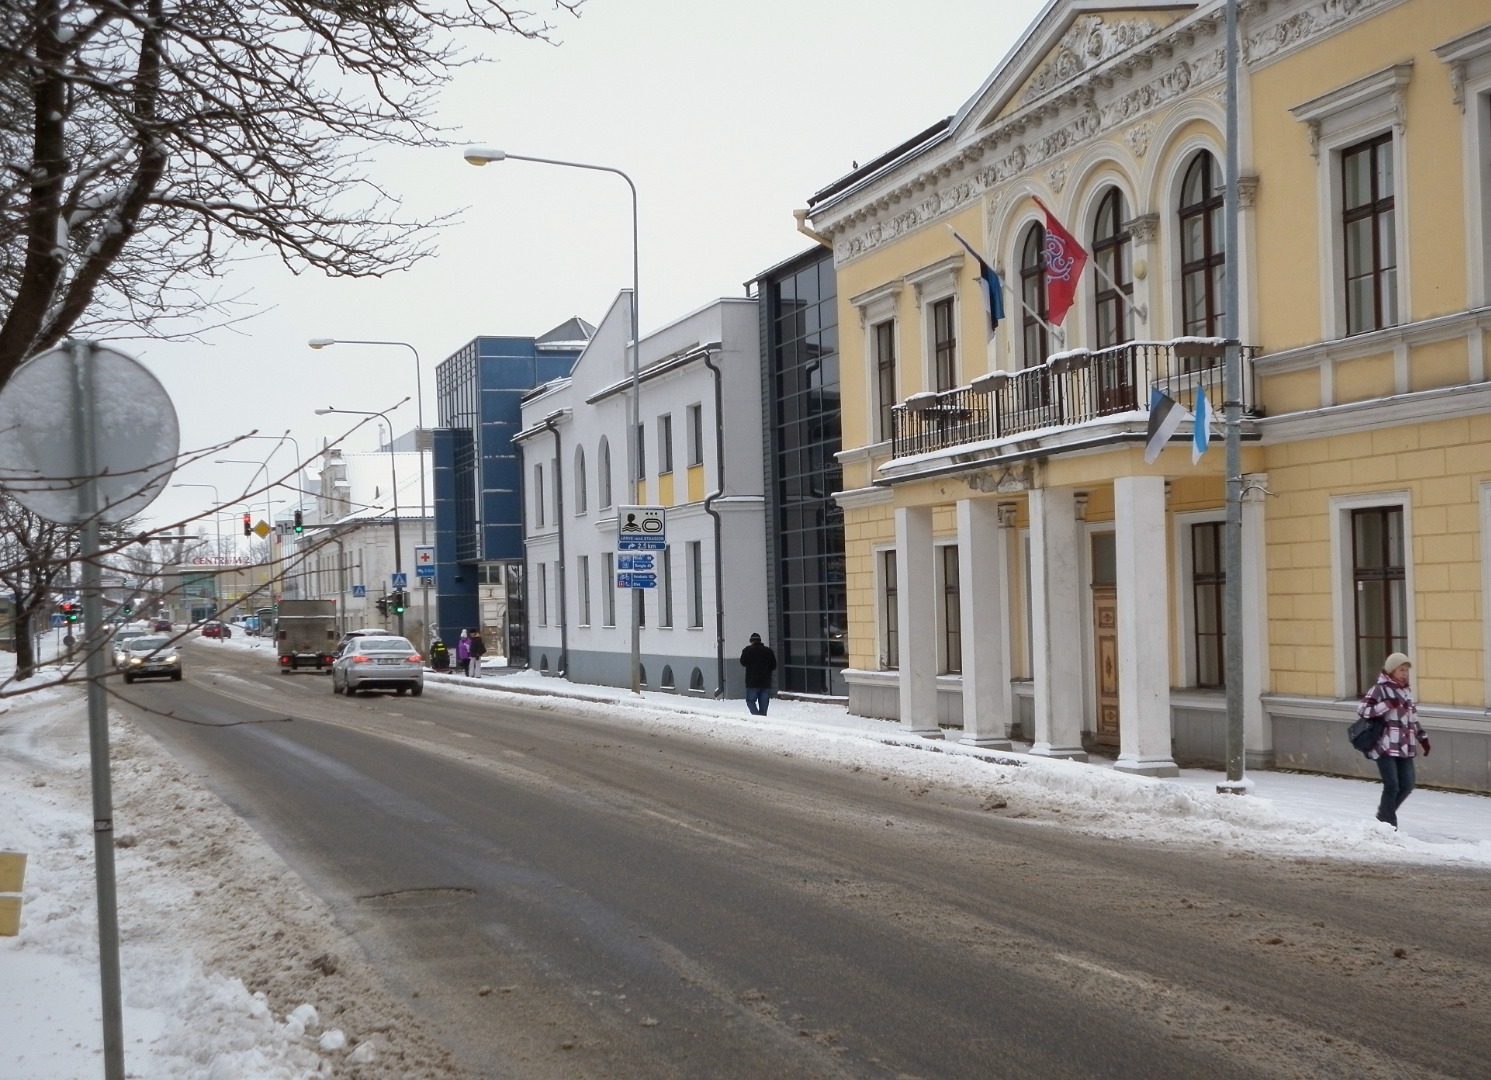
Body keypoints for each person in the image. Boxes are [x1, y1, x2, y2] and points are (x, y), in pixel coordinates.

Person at [1358, 652, 1430, 829]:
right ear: (1392, 670)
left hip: (1405, 745)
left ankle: (1383, 816)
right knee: (1392, 785)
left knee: (1407, 785)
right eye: (1401, 670)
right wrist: (1386, 705)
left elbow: (1412, 716)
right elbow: (1363, 710)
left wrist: (1422, 737)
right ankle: (1389, 825)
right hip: (1385, 745)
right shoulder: (1380, 689)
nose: (1404, 674)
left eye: (1406, 670)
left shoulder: (1406, 690)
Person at [739, 632, 777, 716]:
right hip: (766, 681)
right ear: (760, 641)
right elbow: (774, 665)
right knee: (764, 703)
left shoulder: (747, 650)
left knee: (750, 701)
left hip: (752, 681)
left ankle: (756, 716)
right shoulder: (769, 651)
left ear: (751, 641)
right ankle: (762, 717)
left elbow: (743, 662)